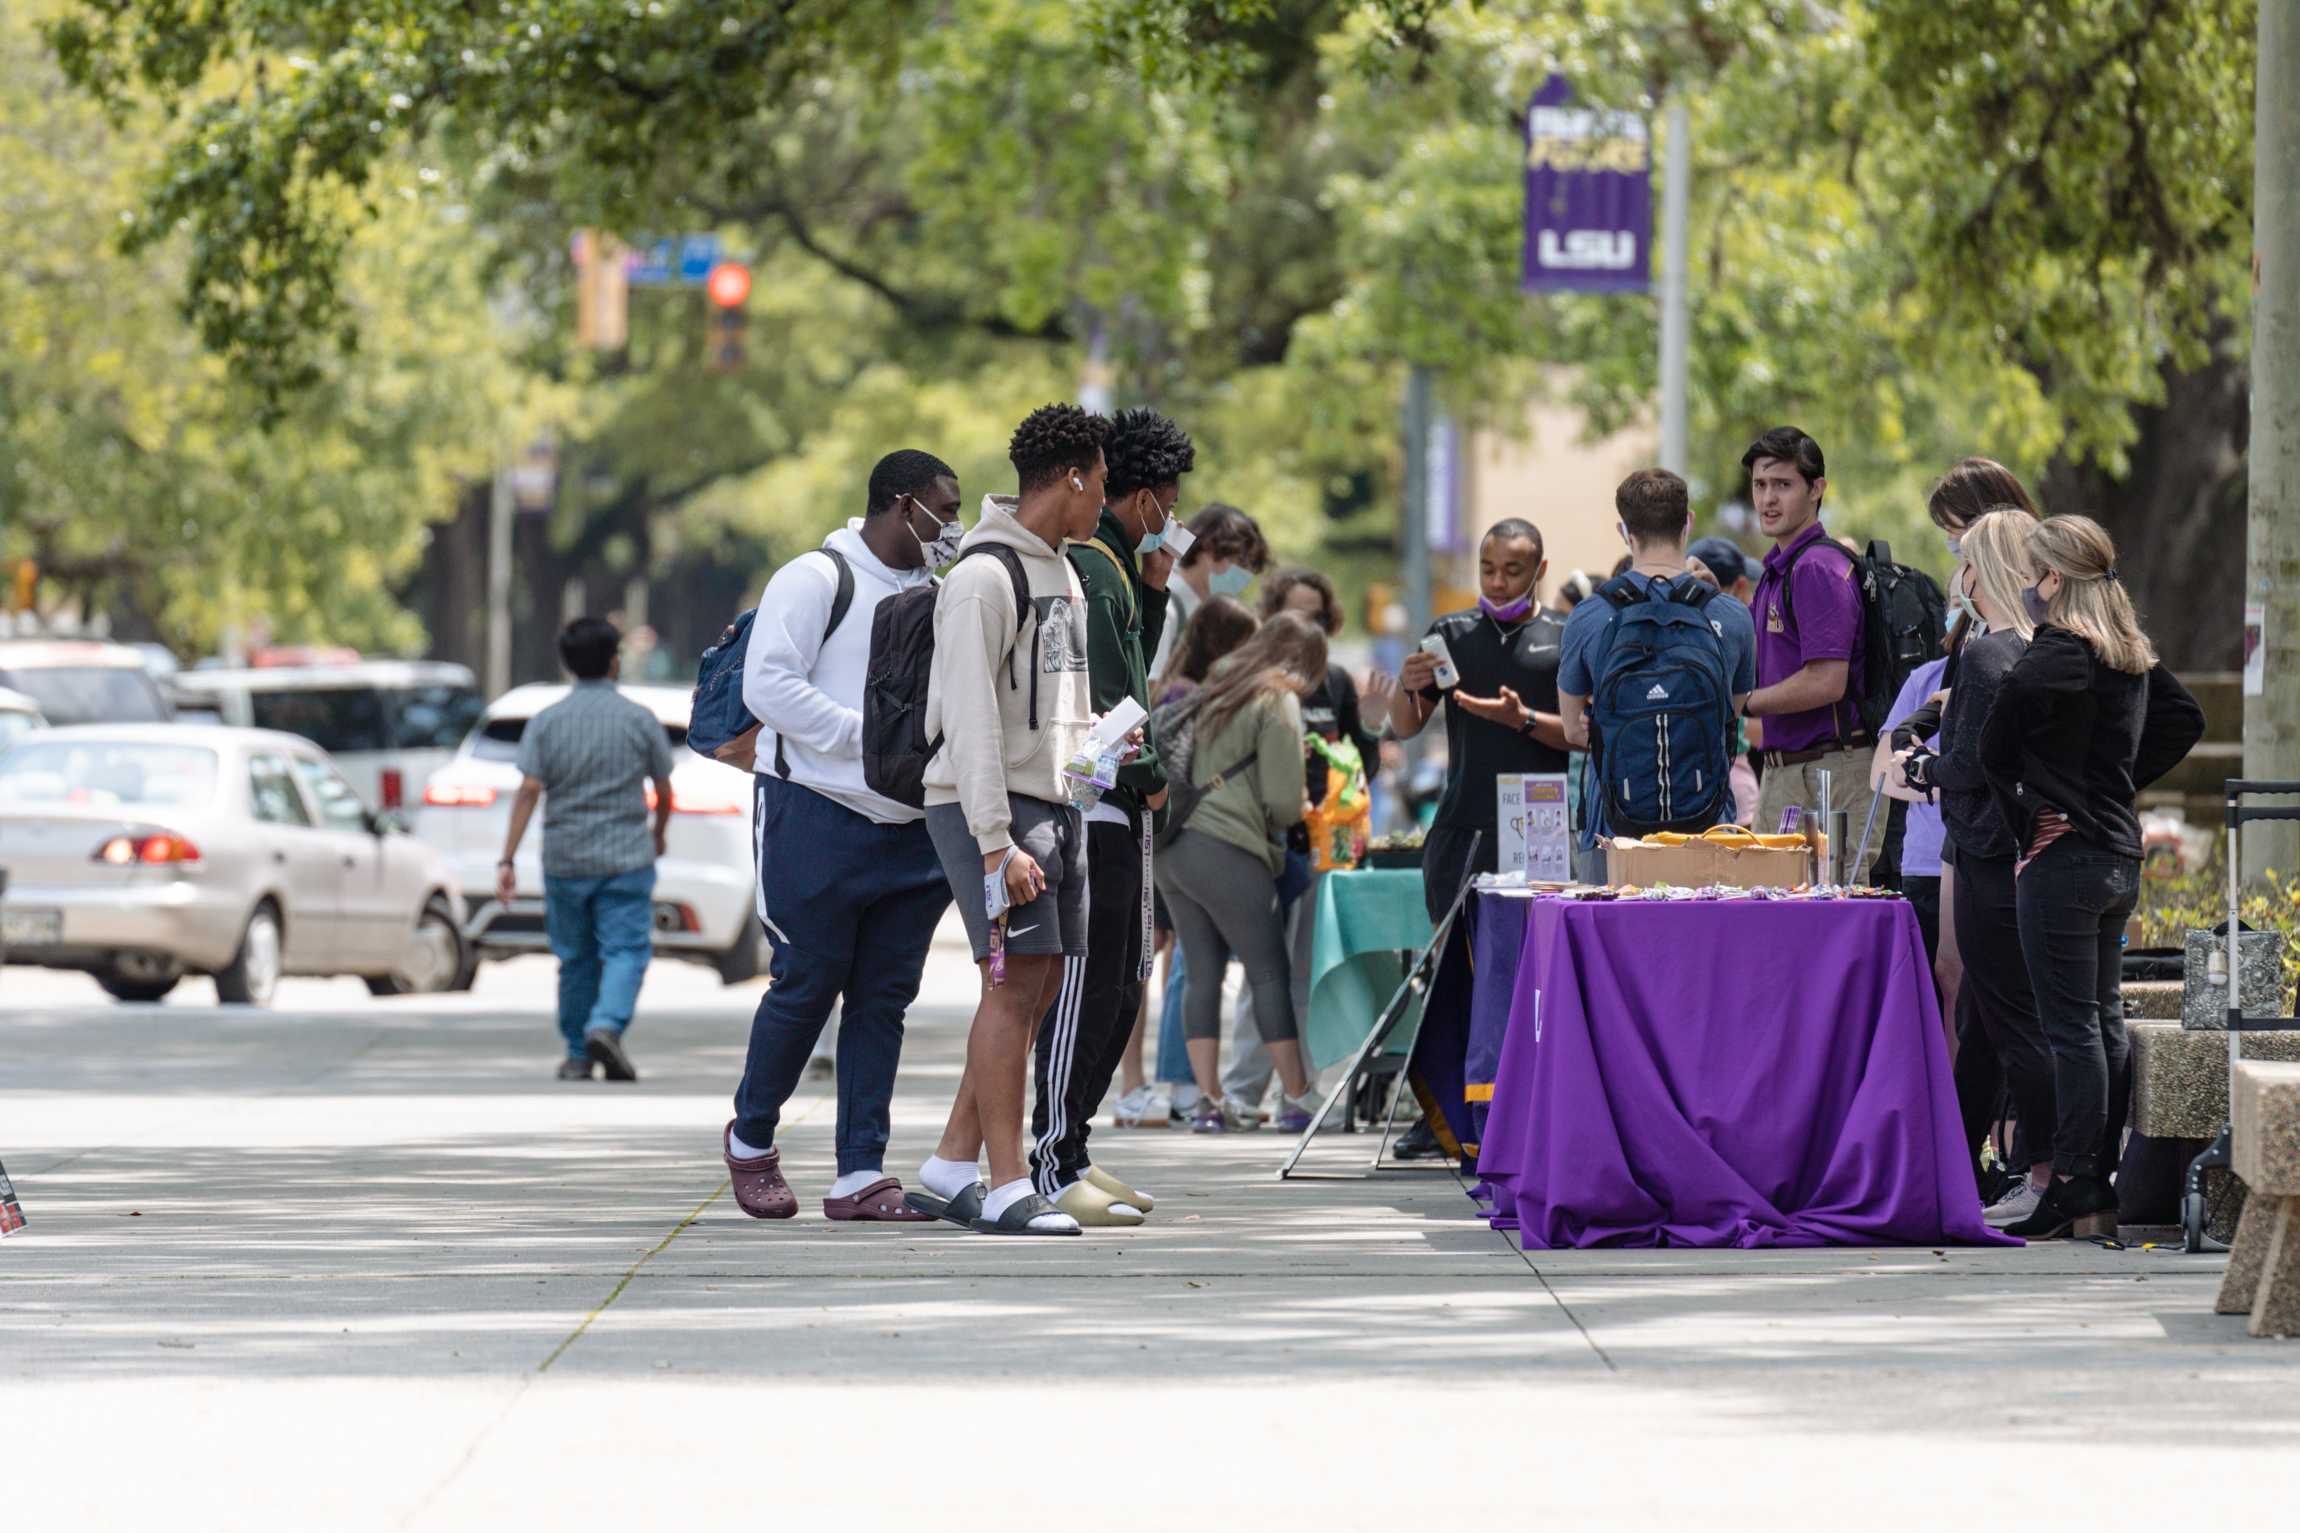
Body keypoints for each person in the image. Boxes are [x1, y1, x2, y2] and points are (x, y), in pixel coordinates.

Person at [717, 450, 962, 1223]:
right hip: (814, 810)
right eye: (942, 510)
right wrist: (869, 739)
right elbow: (769, 684)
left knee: (884, 997)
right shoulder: (818, 577)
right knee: (808, 979)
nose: (950, 527)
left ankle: (861, 1169)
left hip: (911, 824)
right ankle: (752, 1136)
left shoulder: (940, 591)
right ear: (900, 504)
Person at [908, 404, 1105, 1237]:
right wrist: (996, 842)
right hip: (988, 805)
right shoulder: (984, 579)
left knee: (1040, 984)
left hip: (1055, 801)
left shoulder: (1064, 571)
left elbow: (1061, 700)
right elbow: (971, 720)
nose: (1105, 499)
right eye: (1101, 483)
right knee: (1010, 983)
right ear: (1070, 477)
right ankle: (1004, 1182)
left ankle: (951, 1163)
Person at [1978, 515, 2203, 1240]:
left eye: (2034, 572)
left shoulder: (2057, 651)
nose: (2026, 586)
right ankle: (2094, 1179)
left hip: (2065, 859)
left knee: (2073, 1028)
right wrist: (2109, 785)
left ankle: (2074, 1180)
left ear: (2053, 578)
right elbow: (2183, 716)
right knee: (2103, 1023)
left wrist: (2044, 802)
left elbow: (1994, 743)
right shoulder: (2128, 651)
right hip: (2118, 858)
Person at [1026, 406, 1193, 1226]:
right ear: (1146, 494)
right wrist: (1155, 775)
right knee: (1090, 987)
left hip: (1120, 809)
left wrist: (1157, 590)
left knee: (1126, 985)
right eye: (1170, 496)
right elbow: (1115, 697)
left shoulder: (1124, 568)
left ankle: (1076, 1147)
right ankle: (1051, 1154)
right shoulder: (1091, 565)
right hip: (1096, 803)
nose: (1176, 513)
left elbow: (1133, 658)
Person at [1893, 508, 2049, 1223]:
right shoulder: (2041, 647)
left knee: (2009, 1020)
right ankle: (1958, 1164)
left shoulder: (1990, 653)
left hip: (1986, 849)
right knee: (1987, 1024)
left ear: (1977, 572)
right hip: (2016, 847)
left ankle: (2046, 1173)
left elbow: (1967, 765)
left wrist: (1922, 762)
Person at [1218, 568, 1393, 1116]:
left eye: (1315, 616)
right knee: (1260, 969)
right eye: (1293, 614)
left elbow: (1358, 772)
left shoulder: (1337, 682)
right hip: (1265, 842)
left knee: (1302, 972)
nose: (1305, 627)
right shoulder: (1252, 681)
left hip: (1322, 847)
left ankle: (1299, 1092)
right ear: (1270, 617)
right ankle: (1242, 1091)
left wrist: (1368, 727)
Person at [1153, 611, 1330, 1132]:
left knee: (1201, 972)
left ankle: (1207, 1102)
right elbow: (1282, 803)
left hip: (1172, 846)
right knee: (1268, 968)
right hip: (1227, 847)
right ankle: (1297, 1097)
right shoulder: (1276, 698)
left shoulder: (1218, 684)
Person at [497, 617, 675, 1082]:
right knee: (626, 951)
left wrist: (508, 857)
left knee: (574, 957)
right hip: (626, 858)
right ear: (615, 662)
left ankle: (578, 1053)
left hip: (565, 858)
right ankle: (606, 1026)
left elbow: (529, 790)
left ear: (568, 664)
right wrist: (658, 832)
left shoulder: (547, 722)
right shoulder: (638, 719)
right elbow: (663, 785)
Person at [1558, 470, 1756, 879]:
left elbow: (1573, 730)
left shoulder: (1590, 616)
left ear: (1623, 530)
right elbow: (1730, 717)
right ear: (1688, 523)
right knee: (1704, 943)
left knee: (1609, 941)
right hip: (1709, 830)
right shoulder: (1732, 616)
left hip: (1612, 832)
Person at [1389, 519, 1571, 923]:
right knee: (1456, 959)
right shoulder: (1451, 633)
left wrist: (1523, 720)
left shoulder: (1566, 635)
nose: (1497, 582)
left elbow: (1586, 734)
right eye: (1487, 569)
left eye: (1512, 570)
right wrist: (1405, 685)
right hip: (1464, 822)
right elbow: (1405, 726)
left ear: (1540, 570)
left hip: (1541, 826)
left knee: (1534, 961)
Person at [1141, 596, 1261, 1126]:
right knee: (1190, 966)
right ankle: (1189, 1085)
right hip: (1191, 839)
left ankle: (1183, 1085)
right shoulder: (1197, 698)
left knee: (1180, 963)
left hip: (1166, 839)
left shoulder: (1170, 686)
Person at [1741, 427, 1875, 879]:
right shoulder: (1778, 569)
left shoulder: (1817, 565)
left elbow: (1827, 680)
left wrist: (1747, 703)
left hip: (1830, 774)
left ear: (1816, 489)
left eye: (1783, 484)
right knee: (1774, 919)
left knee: (1836, 923)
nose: (1768, 499)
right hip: (1788, 772)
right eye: (1760, 485)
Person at [1147, 502, 1270, 679]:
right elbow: (1150, 685)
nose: (1245, 575)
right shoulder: (1168, 606)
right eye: (1240, 562)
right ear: (1209, 548)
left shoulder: (1207, 610)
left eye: (1251, 567)